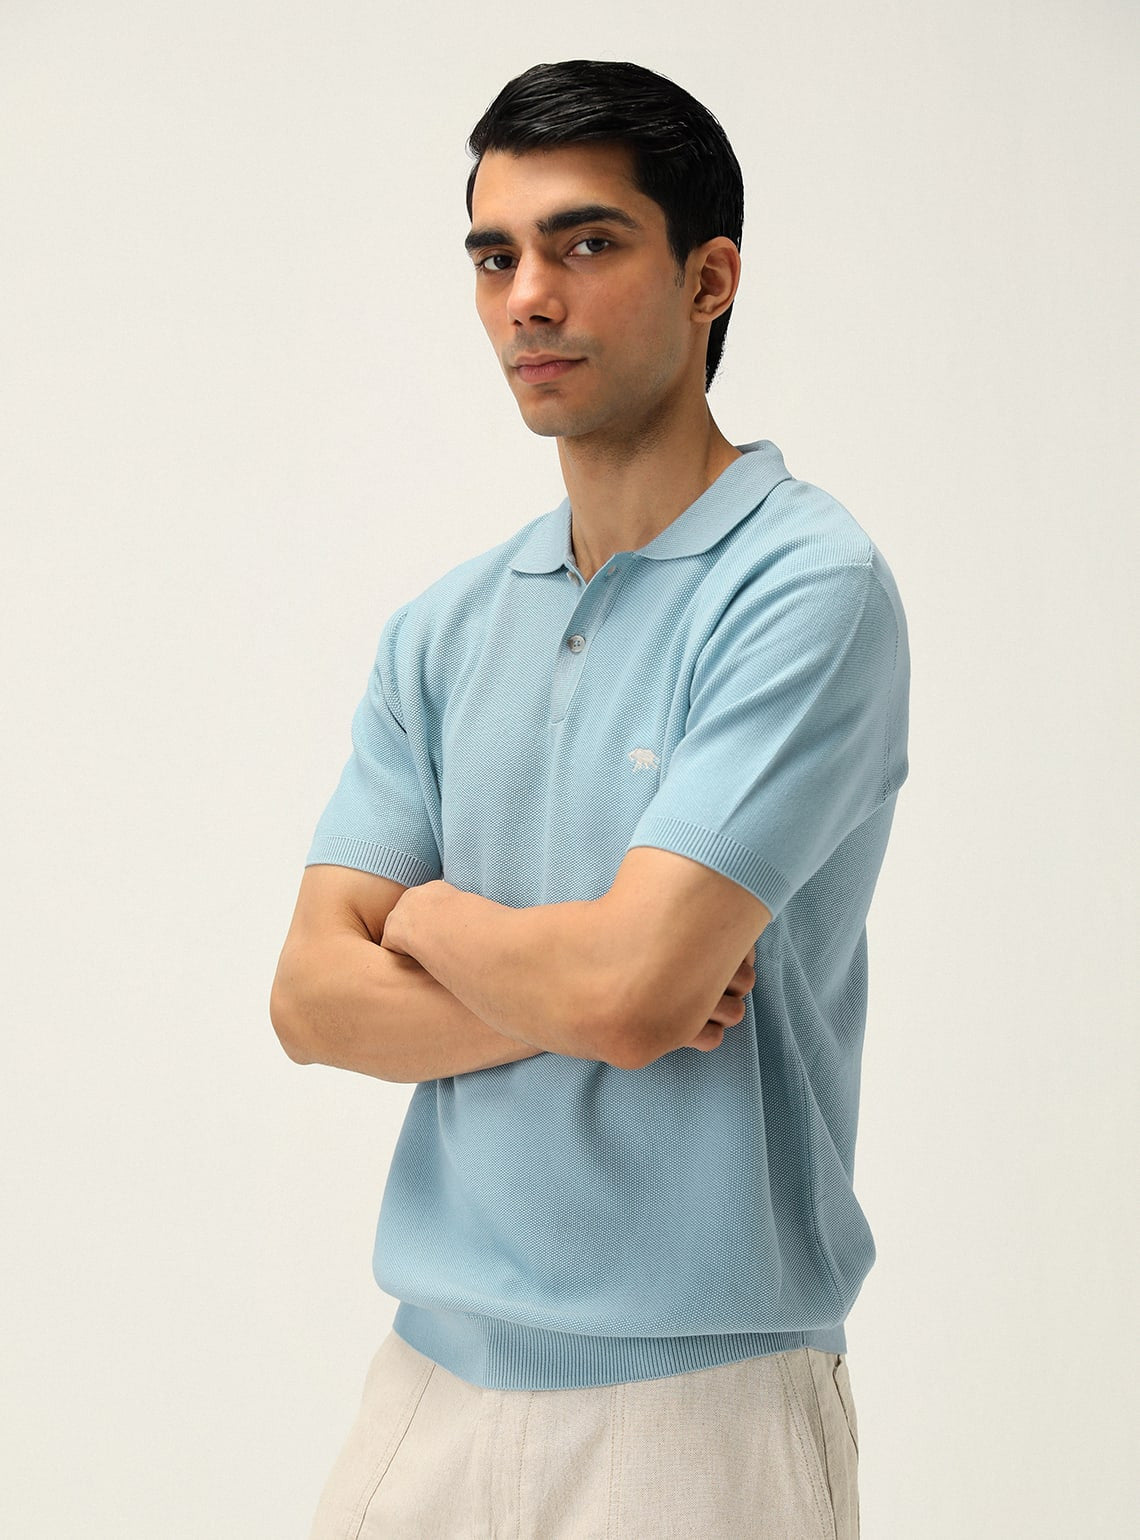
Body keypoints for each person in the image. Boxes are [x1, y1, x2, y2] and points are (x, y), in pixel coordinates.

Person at [270, 57, 909, 1540]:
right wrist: (593, 984)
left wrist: (429, 920)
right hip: (425, 1386)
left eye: (587, 242)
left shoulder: (805, 588)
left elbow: (632, 995)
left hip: (699, 1411)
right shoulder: (445, 627)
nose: (529, 299)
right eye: (495, 256)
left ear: (710, 277)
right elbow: (307, 999)